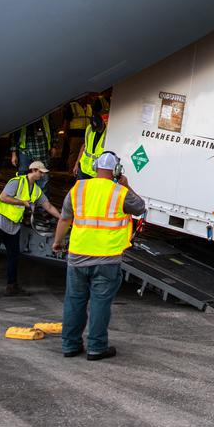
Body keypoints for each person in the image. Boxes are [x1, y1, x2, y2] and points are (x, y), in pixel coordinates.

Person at [52, 150, 146, 360]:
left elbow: (65, 219)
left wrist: (57, 242)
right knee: (100, 304)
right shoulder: (119, 192)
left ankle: (70, 345)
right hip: (106, 259)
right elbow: (140, 207)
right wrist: (125, 185)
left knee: (74, 302)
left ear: (95, 168)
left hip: (77, 257)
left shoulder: (78, 189)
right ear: (116, 170)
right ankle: (96, 347)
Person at [0, 160, 62, 298]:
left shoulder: (36, 190)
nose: (42, 175)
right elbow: (3, 198)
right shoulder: (16, 182)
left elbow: (48, 206)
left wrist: (62, 218)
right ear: (33, 170)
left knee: (13, 255)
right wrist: (22, 202)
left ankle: (12, 286)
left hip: (13, 226)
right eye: (40, 172)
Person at [73, 110, 108, 179]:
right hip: (83, 169)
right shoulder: (89, 129)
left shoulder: (109, 132)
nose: (97, 130)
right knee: (80, 189)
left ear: (103, 122)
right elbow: (84, 146)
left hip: (96, 173)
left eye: (99, 128)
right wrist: (77, 163)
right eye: (95, 128)